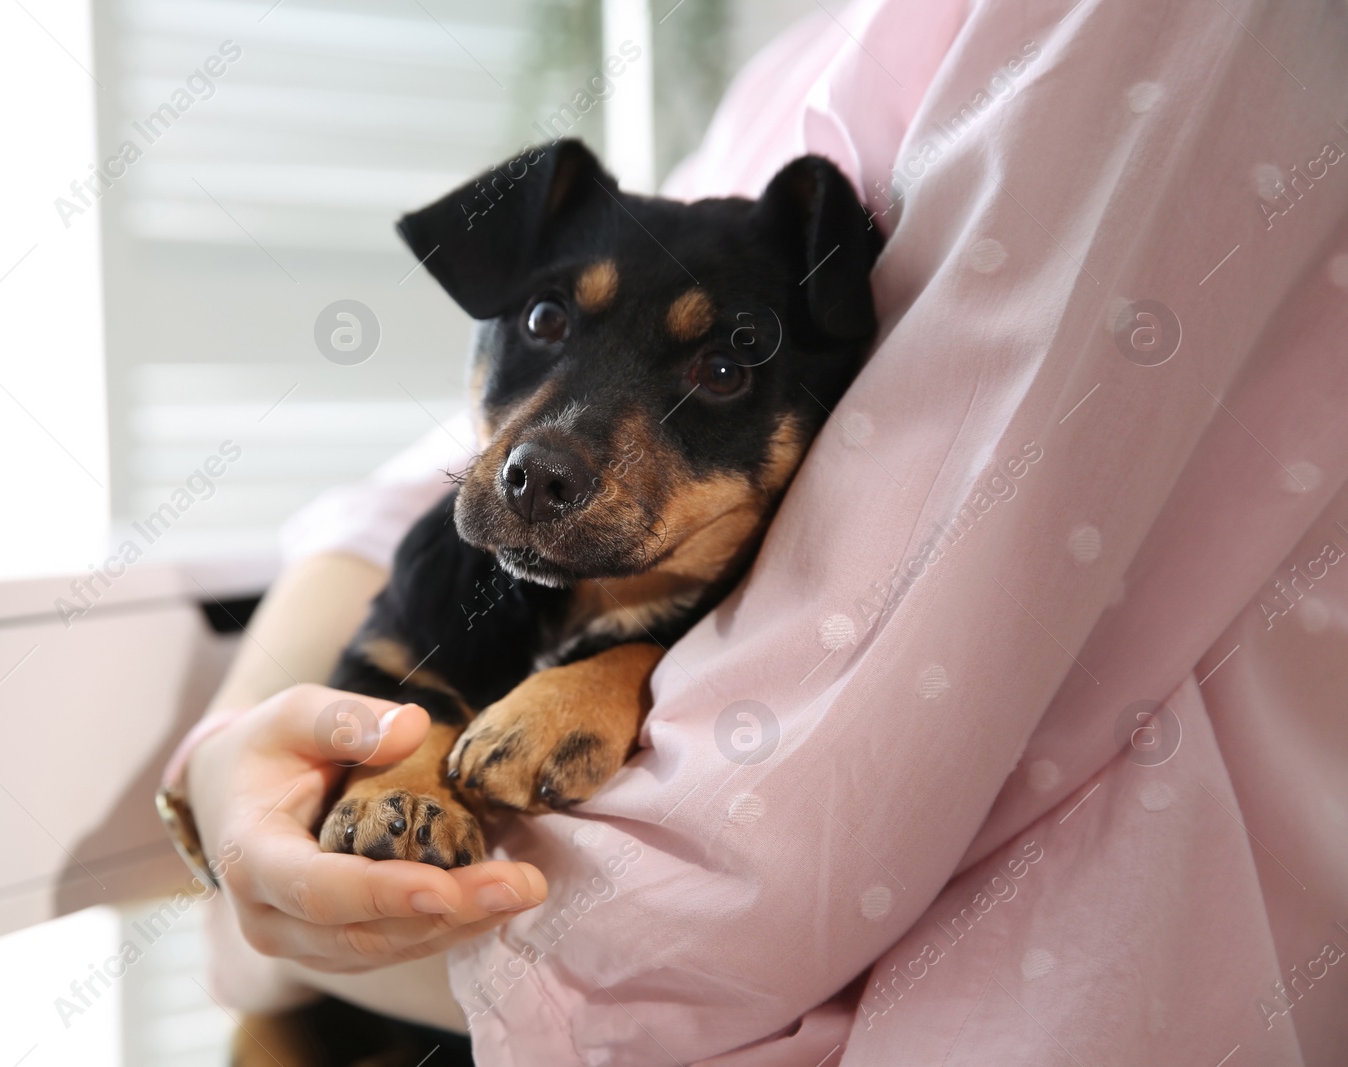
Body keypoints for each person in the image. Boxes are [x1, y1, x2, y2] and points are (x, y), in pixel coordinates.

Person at [162, 0, 1348, 1062]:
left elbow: (696, 928)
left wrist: (265, 921)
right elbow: (393, 511)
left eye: (720, 368)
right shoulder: (787, 71)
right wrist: (231, 779)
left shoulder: (1173, 37)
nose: (548, 450)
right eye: (539, 321)